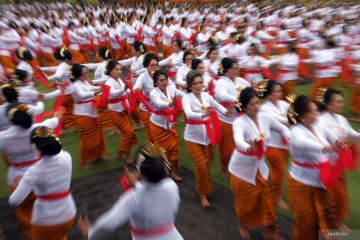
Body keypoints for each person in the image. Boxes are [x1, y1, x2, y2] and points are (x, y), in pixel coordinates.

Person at [78, 142, 183, 240]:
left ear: (139, 171)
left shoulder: (134, 197)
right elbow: (154, 191)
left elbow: (107, 225)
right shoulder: (172, 185)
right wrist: (137, 186)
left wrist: (90, 233)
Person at [229, 87, 290, 240]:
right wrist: (249, 147)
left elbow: (282, 128)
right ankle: (243, 225)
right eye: (252, 104)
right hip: (241, 170)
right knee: (245, 204)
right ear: (244, 106)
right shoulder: (239, 122)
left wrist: (289, 137)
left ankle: (270, 230)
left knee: (267, 200)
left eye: (258, 103)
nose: (256, 107)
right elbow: (238, 140)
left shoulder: (265, 117)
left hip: (259, 167)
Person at [0, 103, 62, 236]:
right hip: (40, 174)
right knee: (46, 203)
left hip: (17, 178)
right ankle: (48, 229)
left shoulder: (3, 137)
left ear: (10, 119)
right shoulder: (37, 129)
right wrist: (57, 117)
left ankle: (33, 233)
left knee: (24, 209)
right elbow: (52, 122)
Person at [286, 95, 341, 239]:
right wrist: (327, 148)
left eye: (317, 110)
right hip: (301, 184)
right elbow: (304, 143)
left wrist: (337, 142)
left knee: (327, 217)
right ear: (303, 116)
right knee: (306, 223)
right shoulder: (296, 132)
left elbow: (332, 134)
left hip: (320, 182)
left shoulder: (317, 125)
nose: (317, 114)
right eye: (313, 112)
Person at [9, 126, 76, 240]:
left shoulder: (33, 172)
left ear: (35, 148)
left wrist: (18, 187)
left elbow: (14, 201)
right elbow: (58, 151)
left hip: (45, 219)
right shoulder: (67, 157)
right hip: (69, 213)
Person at [182, 71, 230, 207]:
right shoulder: (187, 98)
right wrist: (202, 115)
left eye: (200, 82)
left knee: (206, 164)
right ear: (189, 85)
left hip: (208, 137)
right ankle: (203, 193)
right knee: (201, 165)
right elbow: (188, 114)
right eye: (195, 83)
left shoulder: (207, 96)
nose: (198, 85)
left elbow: (217, 105)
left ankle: (204, 187)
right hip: (192, 138)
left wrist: (226, 112)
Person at [318, 88, 360, 229]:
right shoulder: (320, 121)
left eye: (342, 101)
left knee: (340, 193)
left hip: (338, 165)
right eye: (338, 102)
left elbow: (352, 134)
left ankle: (337, 222)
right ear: (329, 104)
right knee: (332, 195)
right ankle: (334, 223)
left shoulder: (341, 119)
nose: (342, 104)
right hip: (326, 165)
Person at [214, 57, 251, 176]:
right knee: (226, 150)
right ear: (226, 70)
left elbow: (250, 91)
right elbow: (222, 96)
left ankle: (240, 166)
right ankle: (224, 167)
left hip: (242, 119)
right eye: (234, 69)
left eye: (237, 68)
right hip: (226, 120)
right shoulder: (220, 82)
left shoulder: (242, 81)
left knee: (243, 145)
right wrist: (241, 100)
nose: (237, 71)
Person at [149, 69, 185, 181]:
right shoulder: (153, 93)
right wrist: (170, 103)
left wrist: (193, 96)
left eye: (165, 80)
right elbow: (158, 104)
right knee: (162, 151)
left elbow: (183, 95)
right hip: (158, 125)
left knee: (174, 148)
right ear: (156, 82)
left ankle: (173, 172)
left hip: (171, 123)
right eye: (161, 80)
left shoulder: (171, 89)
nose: (164, 82)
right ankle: (162, 172)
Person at [70, 64, 106, 169]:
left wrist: (101, 88)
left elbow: (90, 88)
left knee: (98, 134)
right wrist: (97, 91)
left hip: (91, 112)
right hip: (82, 115)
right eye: (84, 73)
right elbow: (82, 95)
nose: (87, 75)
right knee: (87, 138)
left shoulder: (84, 82)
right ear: (78, 75)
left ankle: (97, 156)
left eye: (87, 72)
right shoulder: (75, 85)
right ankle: (84, 160)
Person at [261, 80, 290, 210]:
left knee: (279, 172)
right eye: (276, 92)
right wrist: (292, 120)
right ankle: (275, 196)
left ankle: (268, 189)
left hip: (285, 145)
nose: (279, 94)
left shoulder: (284, 104)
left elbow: (294, 115)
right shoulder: (264, 109)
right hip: (272, 145)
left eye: (280, 91)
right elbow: (281, 120)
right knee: (279, 171)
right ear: (269, 95)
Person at [105, 60, 138, 162]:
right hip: (115, 113)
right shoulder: (108, 82)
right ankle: (126, 154)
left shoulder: (119, 80)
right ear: (110, 71)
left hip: (123, 111)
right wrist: (125, 88)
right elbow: (114, 94)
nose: (119, 71)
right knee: (129, 132)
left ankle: (121, 153)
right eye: (116, 69)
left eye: (120, 69)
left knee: (127, 133)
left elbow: (127, 91)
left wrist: (134, 90)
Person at [133, 53, 159, 143]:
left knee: (160, 132)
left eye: (156, 65)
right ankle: (150, 153)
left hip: (160, 108)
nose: (155, 67)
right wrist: (136, 89)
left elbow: (171, 86)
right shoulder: (143, 76)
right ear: (146, 66)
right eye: (152, 65)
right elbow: (136, 88)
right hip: (146, 109)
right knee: (151, 133)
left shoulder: (160, 75)